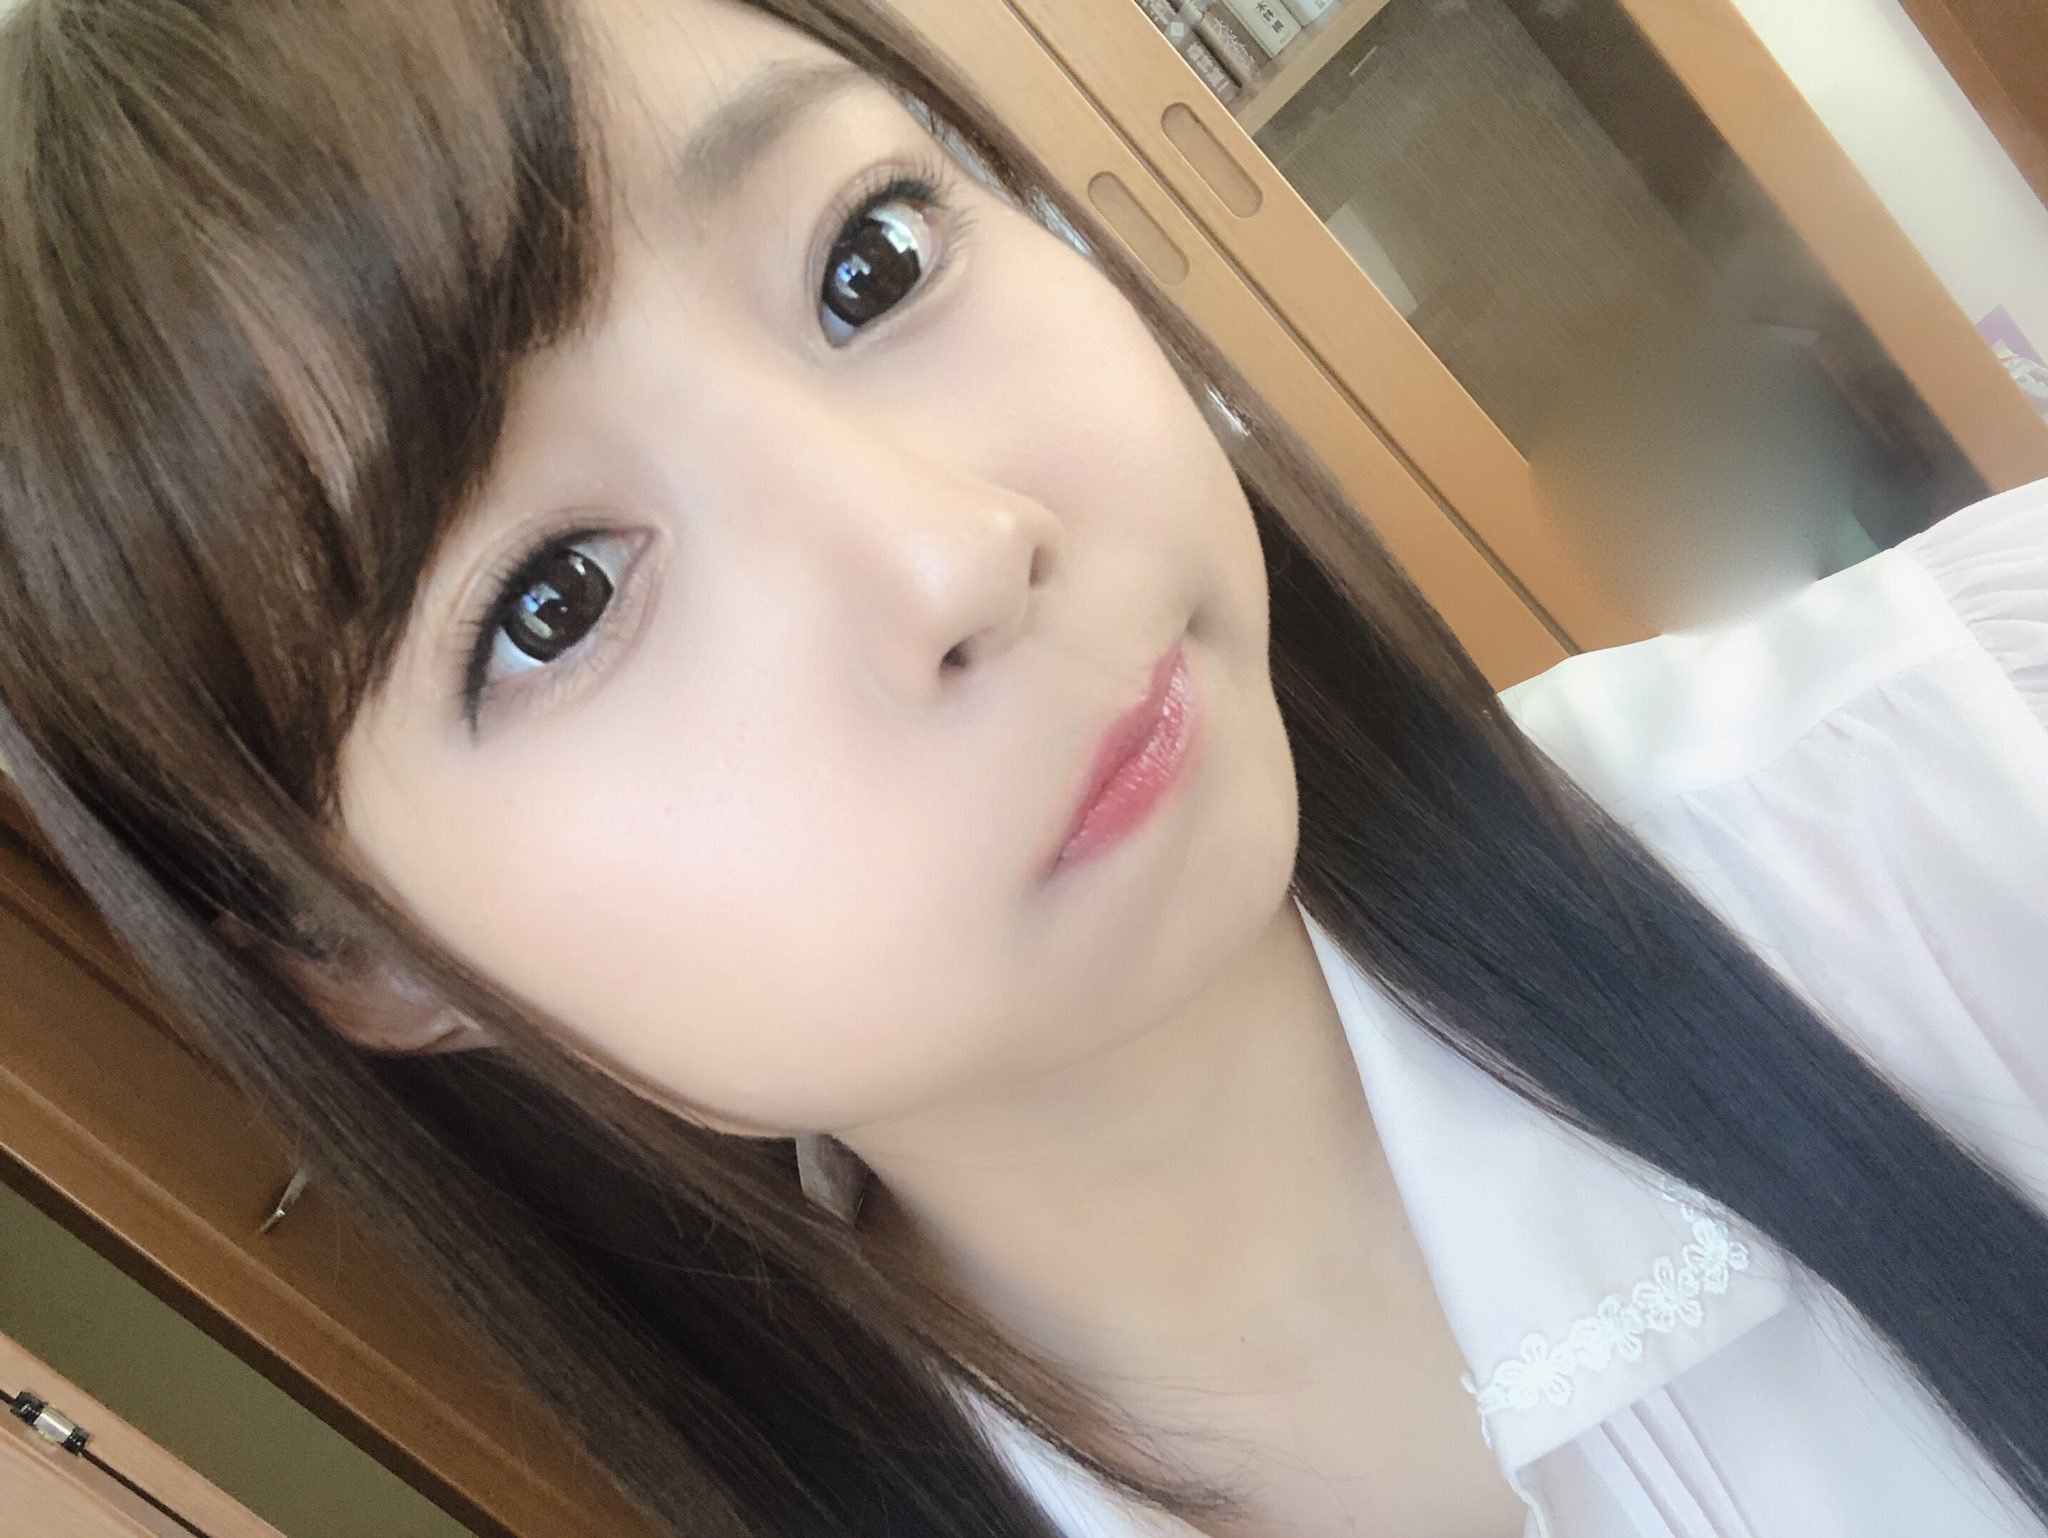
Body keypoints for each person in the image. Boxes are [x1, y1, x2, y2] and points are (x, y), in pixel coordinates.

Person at [1, 1, 2044, 1534]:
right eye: (553, 600)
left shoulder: (1971, 767)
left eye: (871, 260)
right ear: (354, 954)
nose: (958, 550)